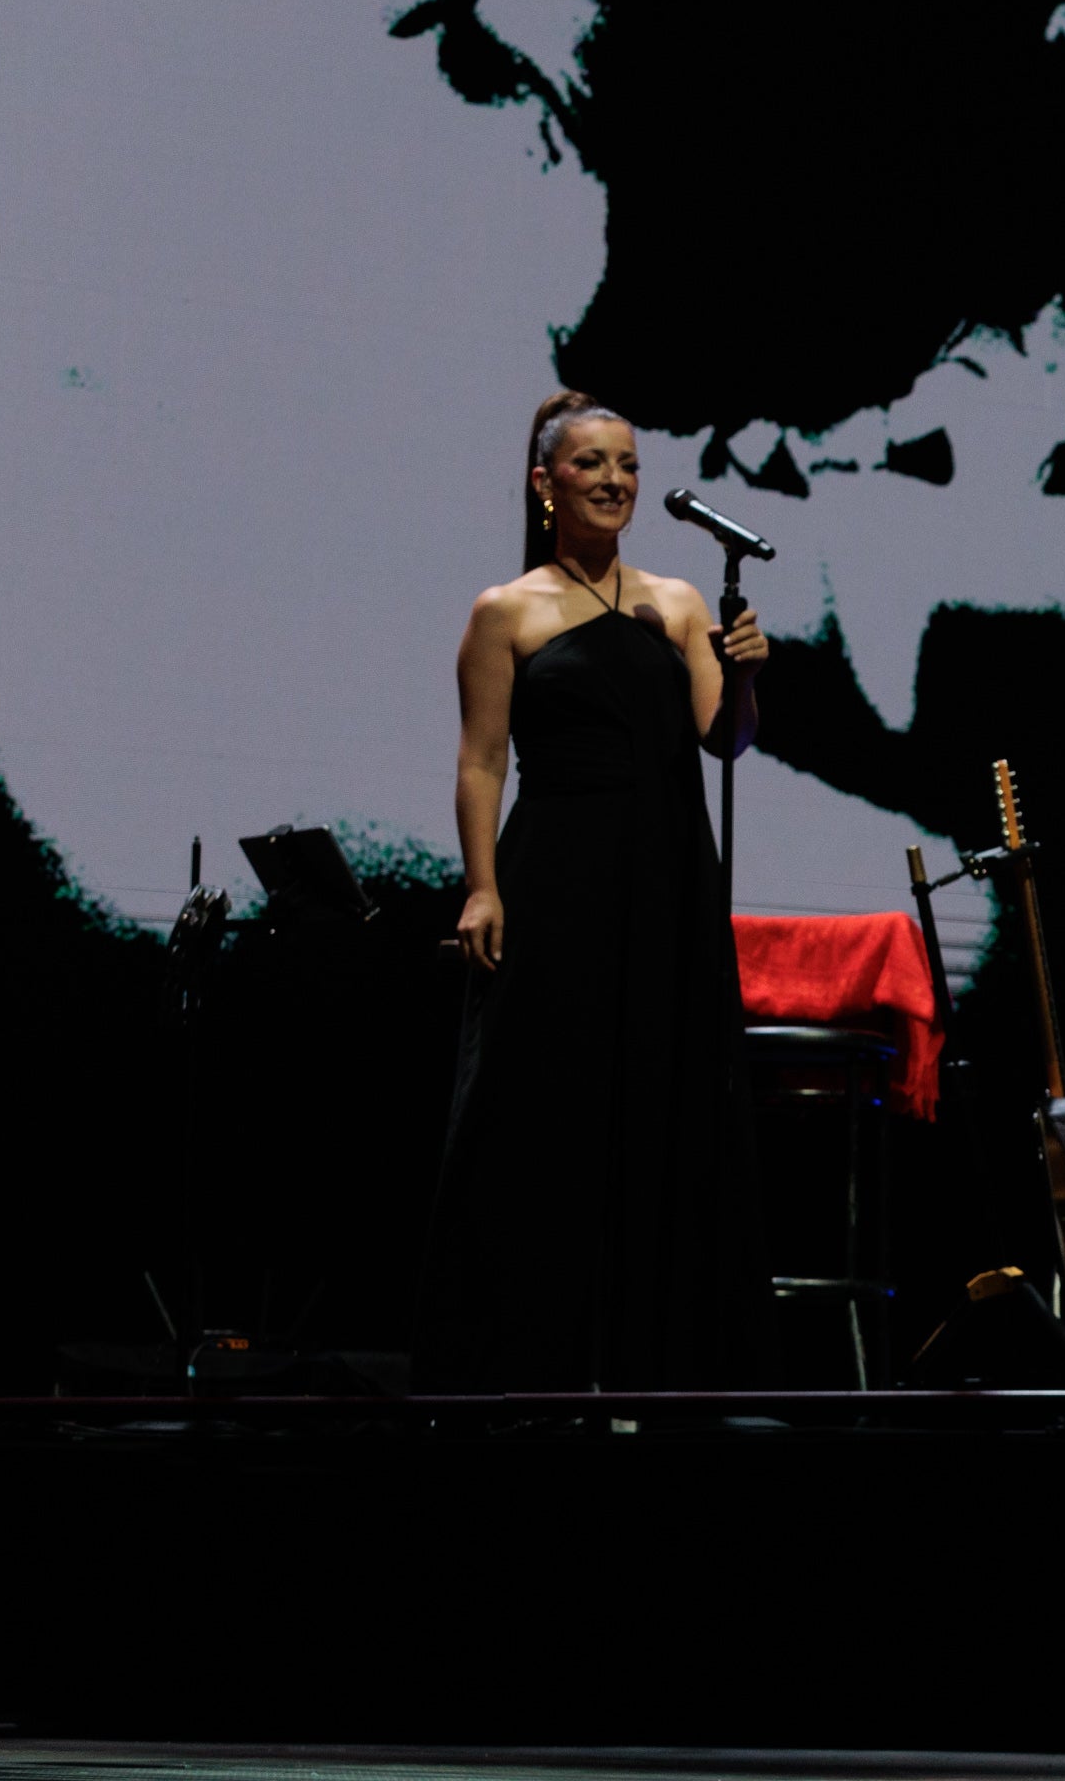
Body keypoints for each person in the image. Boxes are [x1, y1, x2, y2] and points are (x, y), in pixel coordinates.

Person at [417, 390, 776, 1392]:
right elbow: (481, 761)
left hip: (669, 873)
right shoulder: (507, 611)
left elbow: (727, 737)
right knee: (543, 1108)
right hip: (556, 871)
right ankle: (521, 1361)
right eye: (591, 464)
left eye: (627, 464)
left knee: (666, 1097)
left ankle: (657, 1364)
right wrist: (482, 888)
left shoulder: (679, 603)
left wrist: (746, 675)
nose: (615, 480)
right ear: (545, 484)